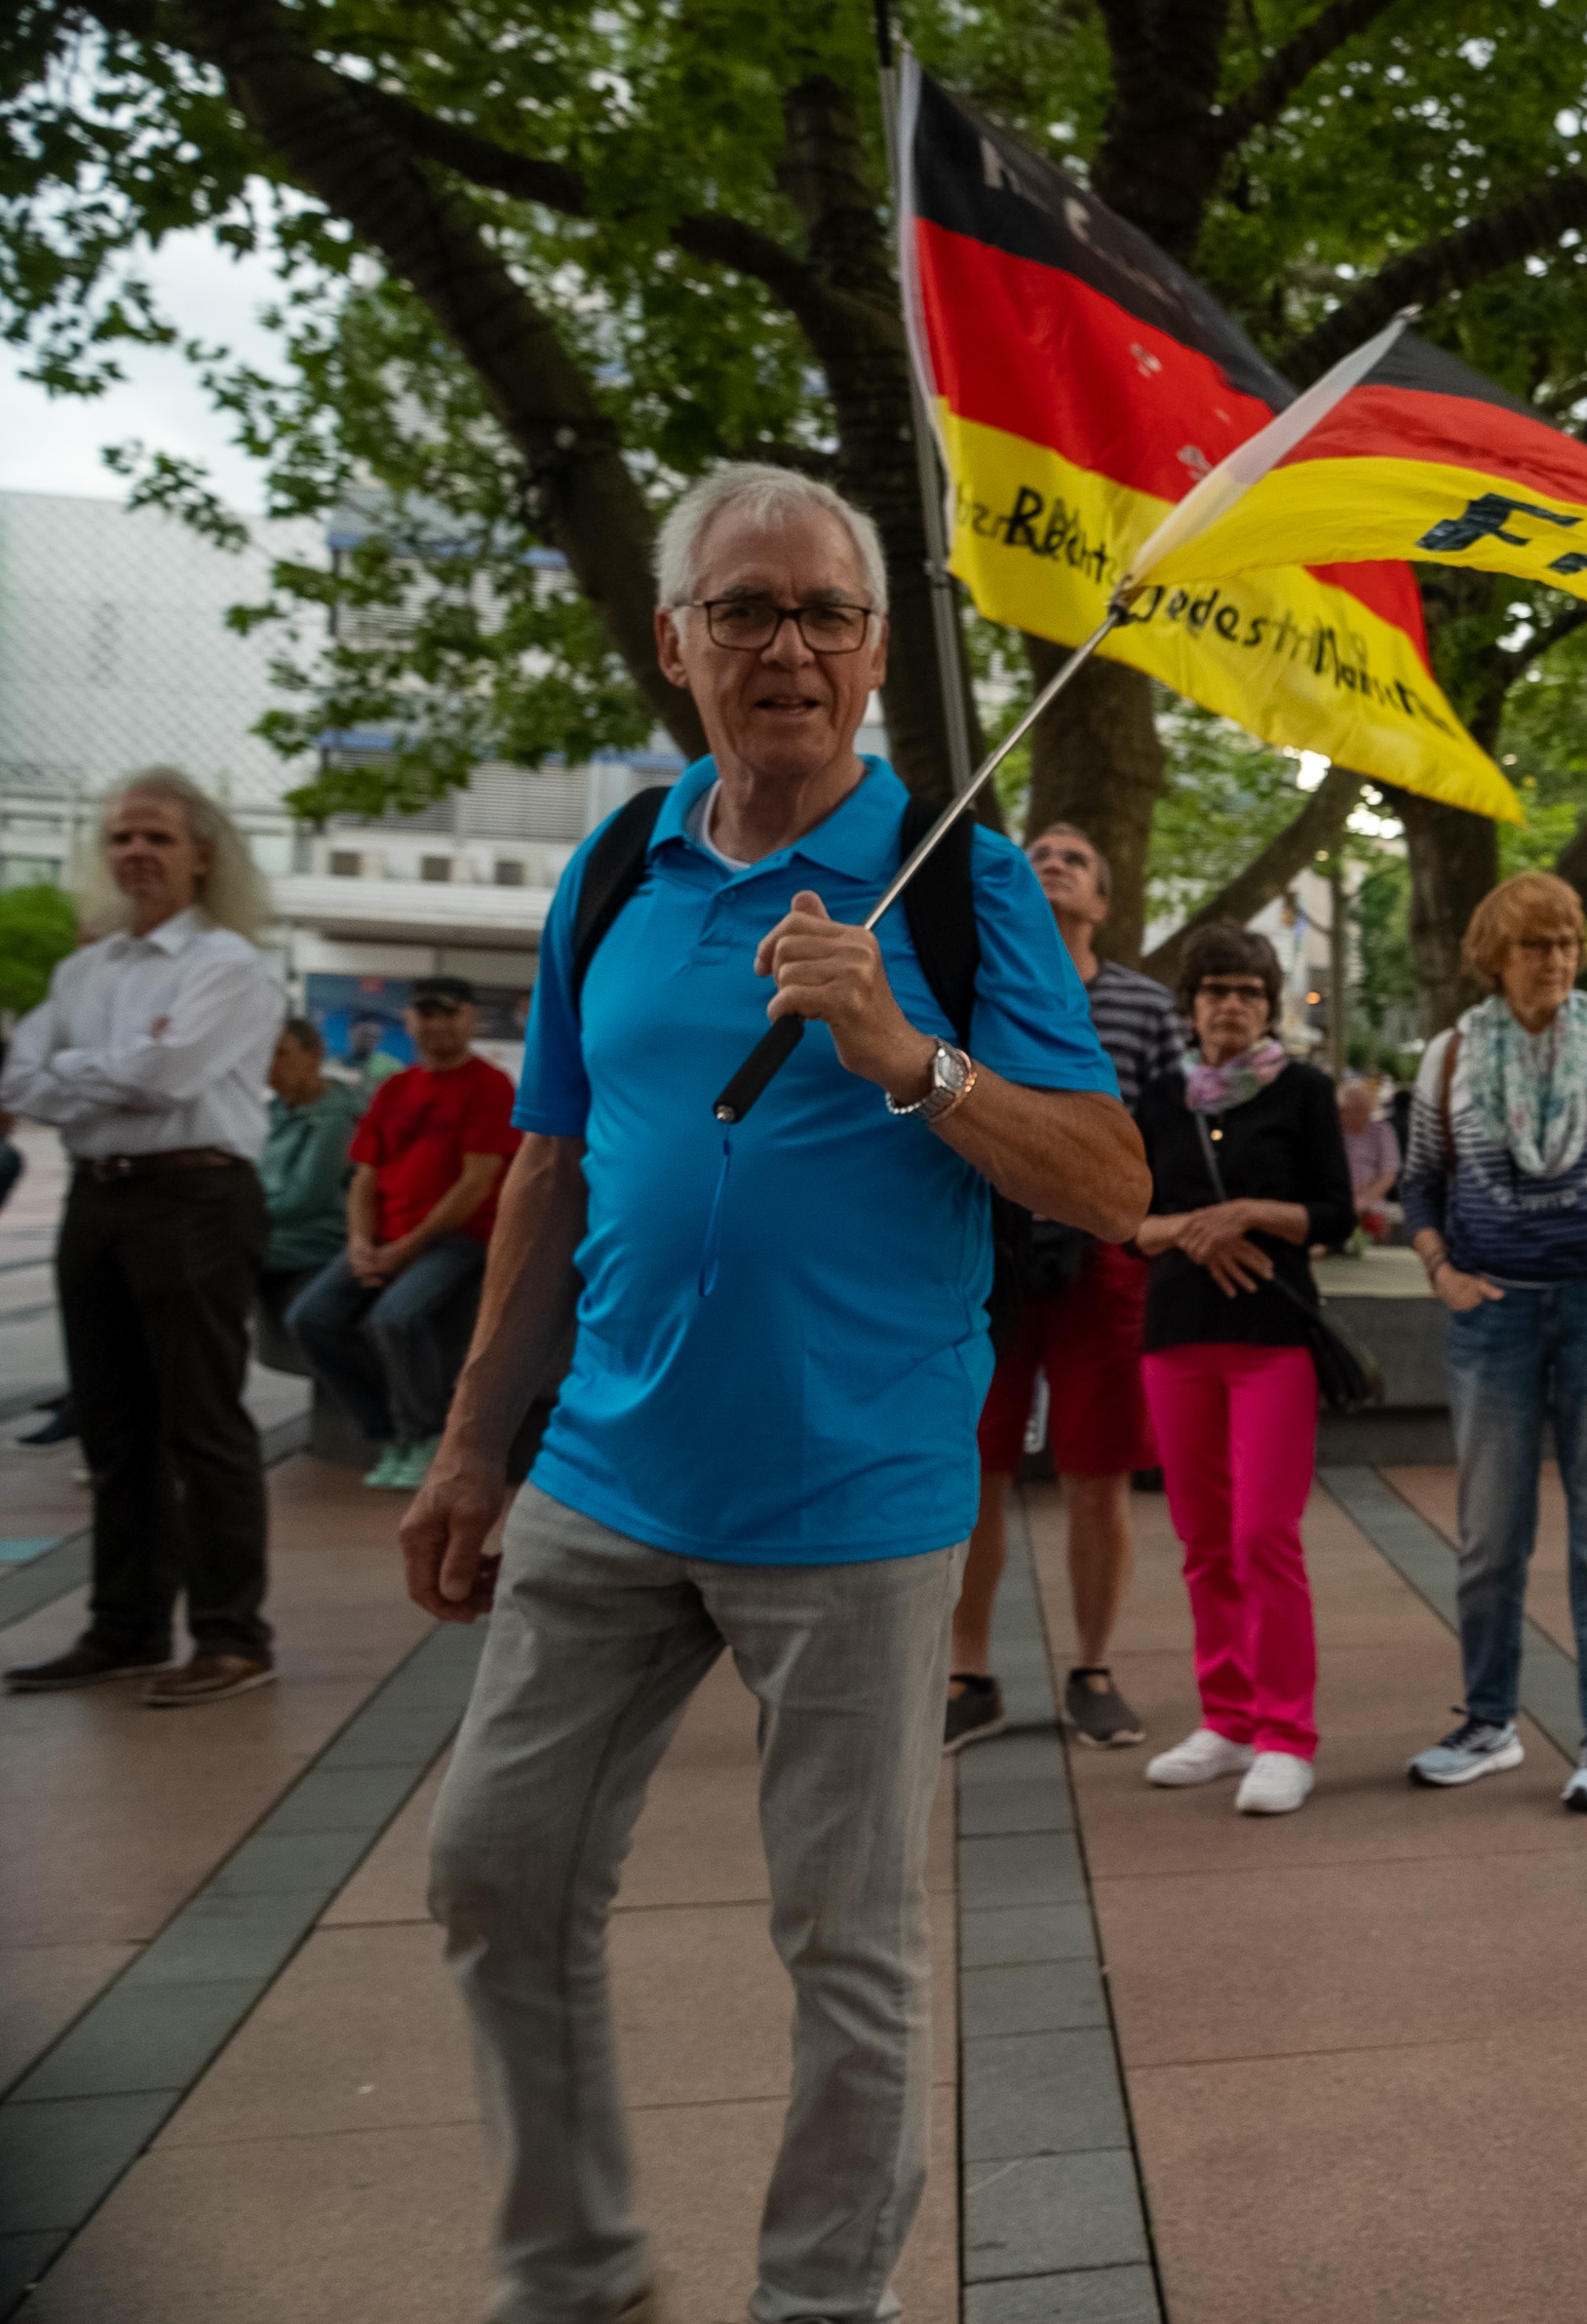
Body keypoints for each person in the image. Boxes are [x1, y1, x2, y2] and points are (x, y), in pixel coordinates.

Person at [395, 463, 1144, 2324]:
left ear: (878, 652)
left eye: (824, 612)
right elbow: (557, 1166)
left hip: (855, 1504)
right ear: (678, 643)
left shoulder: (961, 883)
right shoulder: (615, 862)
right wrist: (478, 1441)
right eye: (744, 609)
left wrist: (912, 1052)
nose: (787, 645)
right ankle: (575, 2271)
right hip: (605, 1477)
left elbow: (1113, 1181)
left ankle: (825, 2302)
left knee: (848, 1949)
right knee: (495, 1868)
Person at [1398, 871, 1587, 1812]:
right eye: (1538, 945)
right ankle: (1489, 1721)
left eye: (1569, 943)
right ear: (1498, 954)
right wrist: (1440, 1270)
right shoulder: (1450, 1057)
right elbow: (1419, 1184)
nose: (1558, 961)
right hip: (1491, 1317)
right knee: (1489, 1537)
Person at [0, 767, 289, 1705]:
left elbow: (165, 1080)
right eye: (122, 836)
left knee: (203, 1426)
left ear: (202, 855)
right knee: (114, 1429)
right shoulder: (82, 971)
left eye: (158, 837)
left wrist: (86, 1070)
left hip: (196, 1199)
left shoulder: (229, 967)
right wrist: (113, 1067)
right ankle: (122, 1629)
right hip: (99, 1199)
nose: (136, 852)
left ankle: (231, 1636)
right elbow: (19, 1080)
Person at [948, 822, 1181, 1756]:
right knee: (975, 1473)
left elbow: (1167, 1134)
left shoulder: (1142, 1005)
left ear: (1103, 903)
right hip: (990, 1261)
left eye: (1076, 859)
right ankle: (970, 1674)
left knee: (1097, 1474)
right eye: (1038, 853)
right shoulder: (975, 984)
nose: (1052, 863)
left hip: (1102, 1261)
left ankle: (1092, 1668)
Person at [1125, 924, 1358, 1815]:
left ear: (1271, 1006)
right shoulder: (1157, 1097)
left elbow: (1335, 1216)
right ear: (1190, 1005)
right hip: (1177, 1335)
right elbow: (1126, 1221)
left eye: (1249, 992)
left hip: (1272, 1342)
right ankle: (1224, 1721)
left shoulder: (1303, 1092)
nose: (1231, 1004)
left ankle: (1287, 1735)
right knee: (1202, 1541)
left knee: (1265, 1536)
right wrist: (1192, 1231)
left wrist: (1250, 1211)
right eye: (1216, 989)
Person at [288, 975, 516, 1491]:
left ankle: (429, 1433)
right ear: (409, 1020)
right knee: (311, 1318)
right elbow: (364, 1179)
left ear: (471, 1019)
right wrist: (361, 1245)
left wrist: (404, 1252)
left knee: (394, 1318)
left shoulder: (490, 1086)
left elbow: (476, 1183)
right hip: (386, 1238)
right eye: (425, 1013)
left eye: (449, 1012)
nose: (436, 1024)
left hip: (457, 1240)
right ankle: (388, 1432)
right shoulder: (395, 1088)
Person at [258, 1018, 364, 1349]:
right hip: (272, 1234)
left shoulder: (336, 1114)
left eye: (281, 1054)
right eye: (261, 1055)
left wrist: (241, 1215)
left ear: (314, 1054)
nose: (270, 1066)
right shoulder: (271, 1111)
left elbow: (305, 1197)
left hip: (315, 1240)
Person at [1339, 1070, 1401, 1243]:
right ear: (1343, 1110)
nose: (1365, 1114)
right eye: (1358, 1109)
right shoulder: (1332, 1131)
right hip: (1337, 1203)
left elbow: (1389, 1174)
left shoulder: (1383, 1131)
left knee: (1376, 1227)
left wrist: (1364, 1200)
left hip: (1371, 1205)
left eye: (1367, 1108)